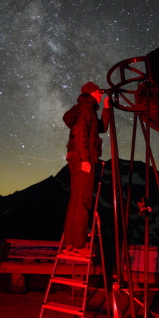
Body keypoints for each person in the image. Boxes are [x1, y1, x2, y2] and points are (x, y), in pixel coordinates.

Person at [61, 81, 110, 255]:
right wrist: (85, 158)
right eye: (99, 92)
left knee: (77, 201)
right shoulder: (86, 108)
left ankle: (70, 243)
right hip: (82, 159)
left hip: (78, 158)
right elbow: (81, 132)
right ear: (92, 93)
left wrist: (106, 109)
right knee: (83, 202)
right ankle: (78, 245)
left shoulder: (88, 108)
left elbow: (101, 129)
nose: (100, 94)